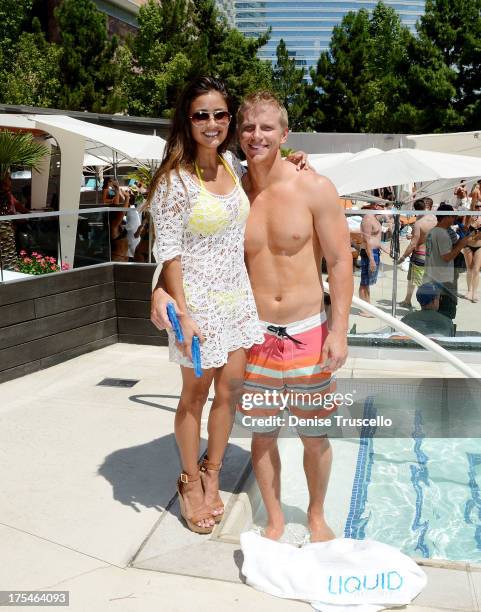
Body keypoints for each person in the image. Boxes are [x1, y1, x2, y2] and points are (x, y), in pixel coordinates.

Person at [148, 77, 308, 535]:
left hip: (236, 302)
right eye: (202, 115)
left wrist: (292, 160)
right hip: (195, 306)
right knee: (193, 396)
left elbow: (267, 177)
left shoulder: (233, 166)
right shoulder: (173, 182)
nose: (213, 123)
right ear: (187, 120)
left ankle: (213, 469)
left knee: (230, 393)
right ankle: (189, 480)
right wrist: (178, 306)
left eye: (221, 115)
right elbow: (169, 252)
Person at [234, 92, 353, 542]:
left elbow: (341, 262)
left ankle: (317, 515)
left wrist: (338, 331)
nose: (256, 136)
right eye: (248, 127)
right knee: (263, 436)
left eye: (267, 128)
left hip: (307, 332)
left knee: (314, 436)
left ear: (285, 134)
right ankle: (276, 518)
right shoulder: (233, 195)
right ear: (238, 134)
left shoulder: (314, 187)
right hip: (255, 335)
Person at [423, 203, 472, 320]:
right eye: (452, 216)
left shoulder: (432, 231)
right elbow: (446, 257)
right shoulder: (442, 234)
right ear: (446, 217)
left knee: (432, 313)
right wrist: (461, 244)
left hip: (431, 277)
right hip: (443, 280)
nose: (454, 218)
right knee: (446, 312)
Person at [398, 199, 437, 308]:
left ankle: (420, 305)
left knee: (413, 280)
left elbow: (413, 244)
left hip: (419, 255)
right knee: (426, 282)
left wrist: (403, 257)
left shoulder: (419, 223)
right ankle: (409, 301)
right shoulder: (434, 219)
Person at [358, 204, 387, 317]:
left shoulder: (374, 218)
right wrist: (371, 259)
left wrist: (387, 250)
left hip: (375, 252)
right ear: (375, 205)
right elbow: (367, 241)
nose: (383, 208)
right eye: (381, 206)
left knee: (368, 282)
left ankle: (367, 306)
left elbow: (376, 240)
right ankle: (365, 309)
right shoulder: (367, 219)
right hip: (369, 253)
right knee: (364, 282)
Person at [462, 200, 481, 302]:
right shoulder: (469, 216)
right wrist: (471, 224)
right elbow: (465, 230)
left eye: (480, 206)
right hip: (468, 245)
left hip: (479, 246)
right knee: (469, 268)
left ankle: (474, 293)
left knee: (476, 270)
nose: (479, 208)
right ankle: (469, 290)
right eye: (477, 206)